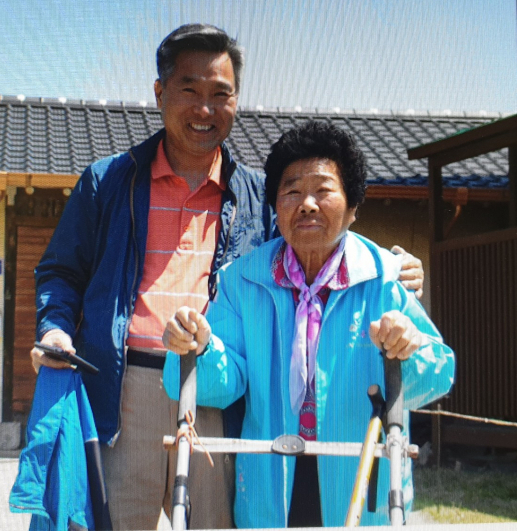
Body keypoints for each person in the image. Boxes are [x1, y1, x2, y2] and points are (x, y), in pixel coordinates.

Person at [30, 25, 425, 530]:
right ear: (159, 93)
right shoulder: (107, 182)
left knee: (216, 523)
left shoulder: (261, 193)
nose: (205, 109)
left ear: (237, 101)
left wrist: (391, 265)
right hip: (125, 385)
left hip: (221, 386)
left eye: (221, 95)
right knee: (117, 521)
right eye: (189, 91)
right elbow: (60, 271)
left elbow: (314, 244)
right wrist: (55, 328)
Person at [162, 120, 455, 528]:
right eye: (292, 191)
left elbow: (438, 373)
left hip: (362, 477)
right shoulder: (241, 280)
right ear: (276, 207)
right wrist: (197, 346)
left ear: (353, 206)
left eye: (323, 190)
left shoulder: (383, 275)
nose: (307, 203)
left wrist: (409, 348)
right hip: (270, 480)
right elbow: (219, 383)